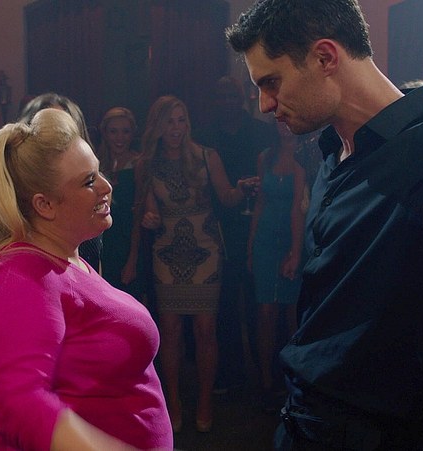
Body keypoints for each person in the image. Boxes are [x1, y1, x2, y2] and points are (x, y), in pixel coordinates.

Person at [226, 0, 423, 448]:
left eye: (271, 82)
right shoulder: (334, 154)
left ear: (325, 57)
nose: (265, 104)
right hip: (304, 422)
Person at [0, 108, 173, 450]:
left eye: (98, 173)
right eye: (89, 181)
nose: (106, 186)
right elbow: (19, 405)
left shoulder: (65, 262)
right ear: (44, 205)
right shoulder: (19, 278)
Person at [136, 95, 259, 433]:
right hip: (167, 253)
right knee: (171, 332)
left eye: (181, 120)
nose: (176, 128)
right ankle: (173, 402)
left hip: (205, 251)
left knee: (206, 331)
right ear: (158, 126)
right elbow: (151, 210)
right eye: (169, 121)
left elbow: (228, 198)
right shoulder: (148, 163)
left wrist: (241, 188)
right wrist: (149, 218)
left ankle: (205, 401)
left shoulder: (207, 156)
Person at [195, 75, 280, 396]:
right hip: (219, 229)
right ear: (214, 100)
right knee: (226, 305)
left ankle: (268, 376)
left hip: (264, 226)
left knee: (264, 305)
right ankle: (231, 376)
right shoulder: (204, 136)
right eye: (222, 96)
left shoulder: (263, 132)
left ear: (243, 97)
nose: (228, 101)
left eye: (233, 95)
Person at [247, 121, 306, 409]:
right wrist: (251, 246)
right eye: (280, 122)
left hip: (293, 239)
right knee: (265, 312)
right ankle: (265, 380)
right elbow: (259, 203)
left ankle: (294, 381)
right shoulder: (265, 157)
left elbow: (298, 208)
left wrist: (295, 251)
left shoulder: (306, 157)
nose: (285, 126)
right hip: (266, 239)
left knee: (293, 313)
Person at [17, 92, 102, 269]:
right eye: (51, 126)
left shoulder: (95, 192)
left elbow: (94, 267)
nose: (106, 188)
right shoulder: (17, 198)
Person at [97, 106, 142, 296]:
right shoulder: (95, 163)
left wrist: (133, 259)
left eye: (125, 131)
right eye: (113, 131)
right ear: (105, 133)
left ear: (133, 133)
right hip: (102, 240)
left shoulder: (139, 164)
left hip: (130, 239)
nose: (119, 138)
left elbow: (139, 214)